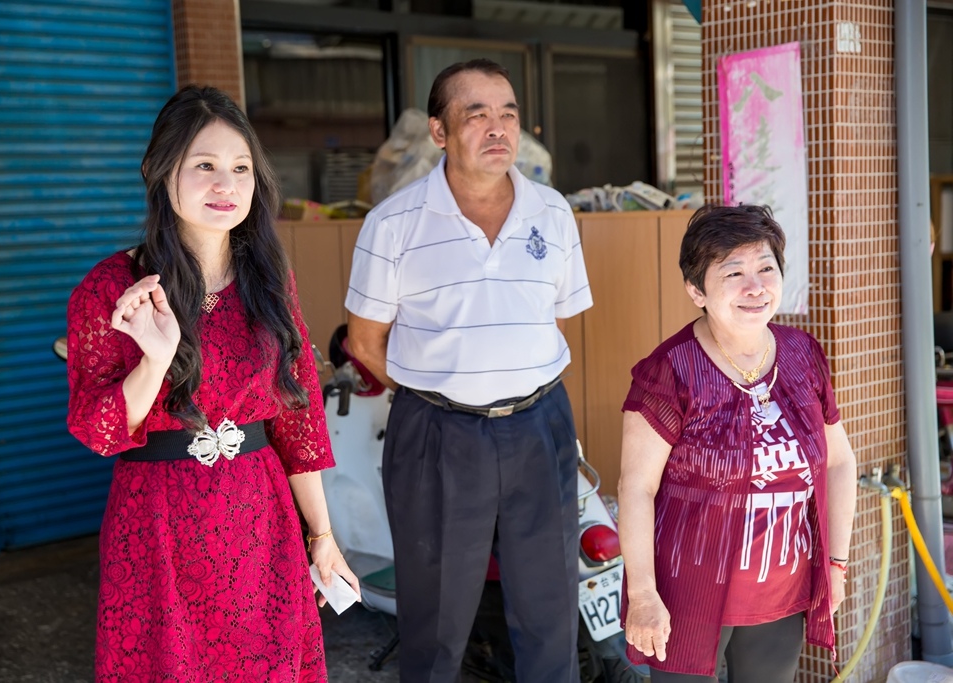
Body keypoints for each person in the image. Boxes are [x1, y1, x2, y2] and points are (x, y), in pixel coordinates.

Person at [65, 85, 359, 682]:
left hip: (260, 516)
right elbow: (96, 432)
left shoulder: (269, 279)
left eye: (241, 168)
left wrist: (323, 534)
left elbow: (297, 418)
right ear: (159, 170)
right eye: (204, 166)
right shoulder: (111, 288)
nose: (226, 185)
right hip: (157, 523)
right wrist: (155, 359)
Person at [345, 58, 593, 681]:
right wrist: (446, 394)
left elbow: (553, 320)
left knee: (551, 611)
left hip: (539, 427)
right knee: (435, 622)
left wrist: (504, 383)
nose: (497, 127)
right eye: (475, 113)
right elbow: (364, 341)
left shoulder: (553, 213)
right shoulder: (392, 224)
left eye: (506, 112)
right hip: (436, 435)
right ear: (439, 132)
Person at [616, 204, 857, 682]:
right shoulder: (670, 372)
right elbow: (636, 487)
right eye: (734, 272)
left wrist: (835, 564)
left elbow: (839, 462)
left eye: (766, 268)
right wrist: (643, 594)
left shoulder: (802, 355)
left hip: (781, 591)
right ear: (696, 290)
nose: (756, 287)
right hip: (686, 592)